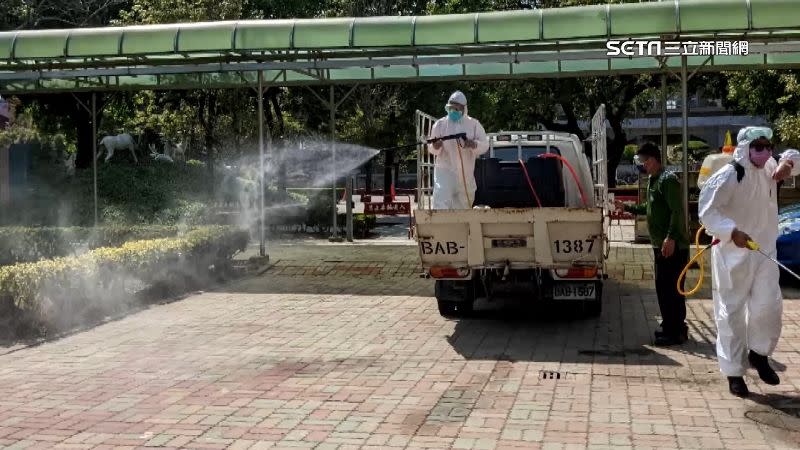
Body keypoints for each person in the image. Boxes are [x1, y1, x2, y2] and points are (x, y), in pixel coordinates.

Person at [698, 126, 800, 397]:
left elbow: (794, 157)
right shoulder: (729, 175)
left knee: (768, 305)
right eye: (758, 146)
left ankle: (758, 353)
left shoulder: (770, 168)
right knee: (731, 312)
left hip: (764, 250)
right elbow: (706, 212)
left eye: (768, 146)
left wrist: (787, 164)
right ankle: (734, 372)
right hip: (733, 253)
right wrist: (731, 231)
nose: (764, 151)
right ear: (744, 147)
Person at [615, 142, 690, 346]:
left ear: (655, 159)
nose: (643, 165)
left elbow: (677, 211)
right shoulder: (653, 181)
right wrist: (629, 207)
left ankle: (676, 330)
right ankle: (669, 326)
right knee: (663, 288)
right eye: (641, 161)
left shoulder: (668, 181)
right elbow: (650, 206)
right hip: (660, 245)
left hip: (673, 246)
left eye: (645, 161)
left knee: (672, 289)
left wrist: (671, 237)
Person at [428, 91, 489, 209]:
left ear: (464, 109)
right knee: (441, 202)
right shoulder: (440, 124)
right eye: (450, 108)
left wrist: (474, 144)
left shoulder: (473, 124)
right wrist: (435, 146)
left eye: (456, 109)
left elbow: (485, 145)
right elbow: (431, 147)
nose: (453, 112)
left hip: (465, 174)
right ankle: (440, 227)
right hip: (445, 171)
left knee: (463, 207)